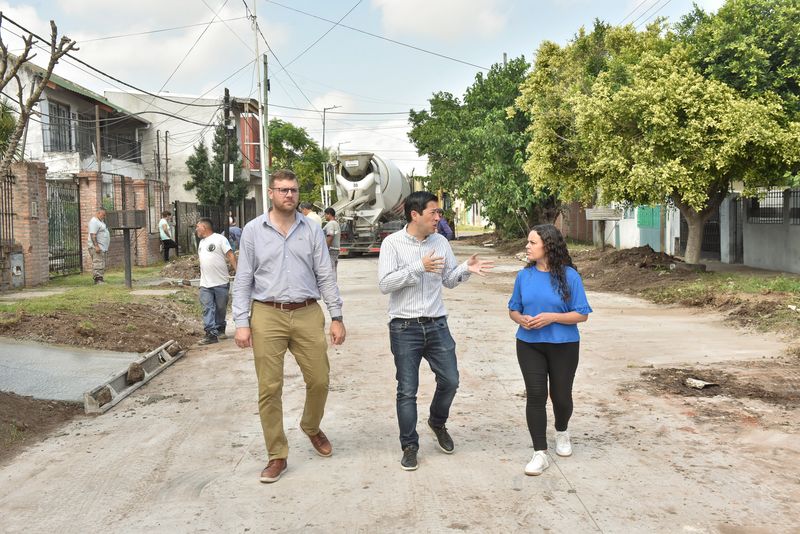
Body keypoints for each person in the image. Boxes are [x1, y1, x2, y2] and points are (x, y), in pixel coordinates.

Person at [232, 169, 346, 484]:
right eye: (282, 190)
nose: (289, 195)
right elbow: (243, 279)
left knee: (320, 379)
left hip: (308, 311)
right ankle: (277, 454)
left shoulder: (311, 229)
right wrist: (242, 322)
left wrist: (336, 316)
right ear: (271, 193)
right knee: (269, 388)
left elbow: (325, 274)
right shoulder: (253, 231)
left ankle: (311, 426)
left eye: (293, 190)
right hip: (267, 313)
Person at [378, 191, 494, 471]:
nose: (438, 218)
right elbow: (385, 283)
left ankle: (437, 422)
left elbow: (449, 280)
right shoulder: (392, 244)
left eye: (439, 213)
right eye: (434, 213)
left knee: (451, 380)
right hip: (404, 327)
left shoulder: (441, 242)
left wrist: (466, 268)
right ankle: (409, 445)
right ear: (415, 214)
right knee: (407, 390)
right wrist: (419, 267)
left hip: (437, 324)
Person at [507, 224, 592, 476]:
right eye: (528, 242)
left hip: (563, 345)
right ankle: (539, 453)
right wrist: (519, 319)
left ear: (548, 246)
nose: (527, 246)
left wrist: (552, 317)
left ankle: (562, 431)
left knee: (561, 396)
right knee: (535, 395)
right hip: (528, 344)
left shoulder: (570, 276)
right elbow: (514, 308)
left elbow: (582, 315)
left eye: (532, 243)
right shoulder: (524, 276)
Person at [196, 217, 237, 345]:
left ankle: (220, 328)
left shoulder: (220, 239)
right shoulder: (201, 243)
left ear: (204, 227)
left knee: (220, 308)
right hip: (205, 284)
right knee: (207, 307)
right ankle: (210, 334)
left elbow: (230, 255)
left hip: (220, 281)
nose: (196, 229)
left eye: (198, 227)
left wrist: (238, 272)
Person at [87, 207, 110, 284]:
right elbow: (93, 235)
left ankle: (101, 278)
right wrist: (96, 246)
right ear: (98, 213)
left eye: (105, 215)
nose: (104, 216)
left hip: (102, 247)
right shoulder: (94, 222)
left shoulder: (100, 221)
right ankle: (97, 280)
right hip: (96, 247)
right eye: (103, 215)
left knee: (101, 263)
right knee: (98, 263)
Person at [323, 207, 341, 276]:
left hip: (331, 250)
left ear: (329, 214)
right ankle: (334, 285)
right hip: (335, 249)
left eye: (325, 215)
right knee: (333, 269)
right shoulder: (336, 223)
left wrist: (325, 249)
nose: (324, 217)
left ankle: (332, 285)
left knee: (330, 270)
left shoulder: (330, 224)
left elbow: (330, 236)